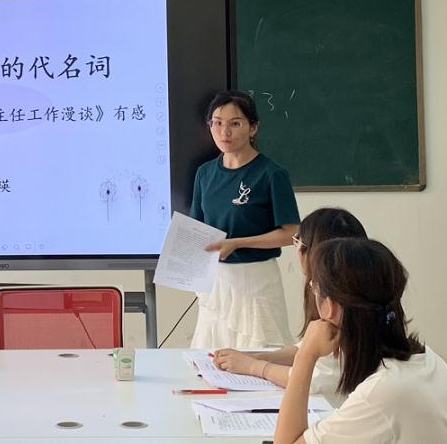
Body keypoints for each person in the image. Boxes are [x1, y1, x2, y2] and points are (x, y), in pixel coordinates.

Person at [274, 238, 447, 443]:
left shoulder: (382, 392)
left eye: (314, 288)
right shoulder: (426, 357)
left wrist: (305, 356)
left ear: (330, 306)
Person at [211, 208, 366, 402]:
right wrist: (257, 357)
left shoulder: (338, 300)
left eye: (298, 242)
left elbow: (313, 379)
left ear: (314, 252)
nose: (296, 249)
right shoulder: (352, 283)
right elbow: (304, 349)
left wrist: (254, 367)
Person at [190, 89, 300, 348]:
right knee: (211, 355)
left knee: (261, 353)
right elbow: (196, 228)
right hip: (216, 283)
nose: (224, 132)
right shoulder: (205, 174)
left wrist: (238, 243)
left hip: (256, 280)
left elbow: (291, 233)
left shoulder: (271, 174)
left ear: (253, 128)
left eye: (235, 124)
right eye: (217, 123)